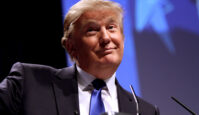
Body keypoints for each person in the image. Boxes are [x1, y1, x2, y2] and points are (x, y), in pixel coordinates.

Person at [0, 0, 159, 115]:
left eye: (111, 27)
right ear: (71, 46)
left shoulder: (146, 111)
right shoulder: (30, 83)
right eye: (92, 30)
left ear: (123, 39)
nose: (105, 38)